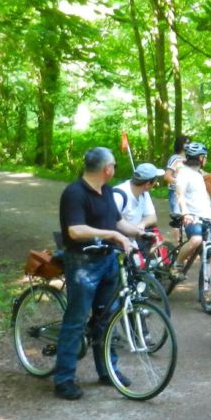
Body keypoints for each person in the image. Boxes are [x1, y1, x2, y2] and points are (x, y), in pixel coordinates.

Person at [52, 148, 145, 400]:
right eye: (114, 164)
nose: (115, 168)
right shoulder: (74, 193)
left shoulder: (106, 191)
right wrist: (113, 236)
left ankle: (107, 370)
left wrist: (136, 232)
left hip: (107, 262)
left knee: (106, 318)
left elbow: (116, 222)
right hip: (83, 263)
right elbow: (75, 230)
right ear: (107, 168)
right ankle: (63, 378)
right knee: (77, 319)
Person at [173, 142, 211, 277]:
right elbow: (180, 195)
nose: (206, 160)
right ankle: (177, 264)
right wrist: (185, 213)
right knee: (196, 240)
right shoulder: (184, 174)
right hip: (193, 216)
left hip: (208, 217)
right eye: (205, 157)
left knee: (209, 253)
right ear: (200, 158)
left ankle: (206, 286)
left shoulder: (199, 173)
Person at [112, 163, 161, 232]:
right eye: (155, 180)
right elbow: (110, 221)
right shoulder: (118, 196)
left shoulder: (144, 193)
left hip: (133, 238)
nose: (156, 183)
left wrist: (142, 224)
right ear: (147, 184)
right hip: (114, 240)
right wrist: (135, 231)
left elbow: (152, 217)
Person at [164, 135, 190, 218]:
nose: (188, 145)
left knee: (188, 219)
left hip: (187, 193)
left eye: (189, 143)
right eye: (186, 143)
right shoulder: (174, 158)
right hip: (175, 193)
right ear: (180, 144)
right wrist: (180, 182)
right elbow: (167, 176)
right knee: (178, 221)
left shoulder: (189, 159)